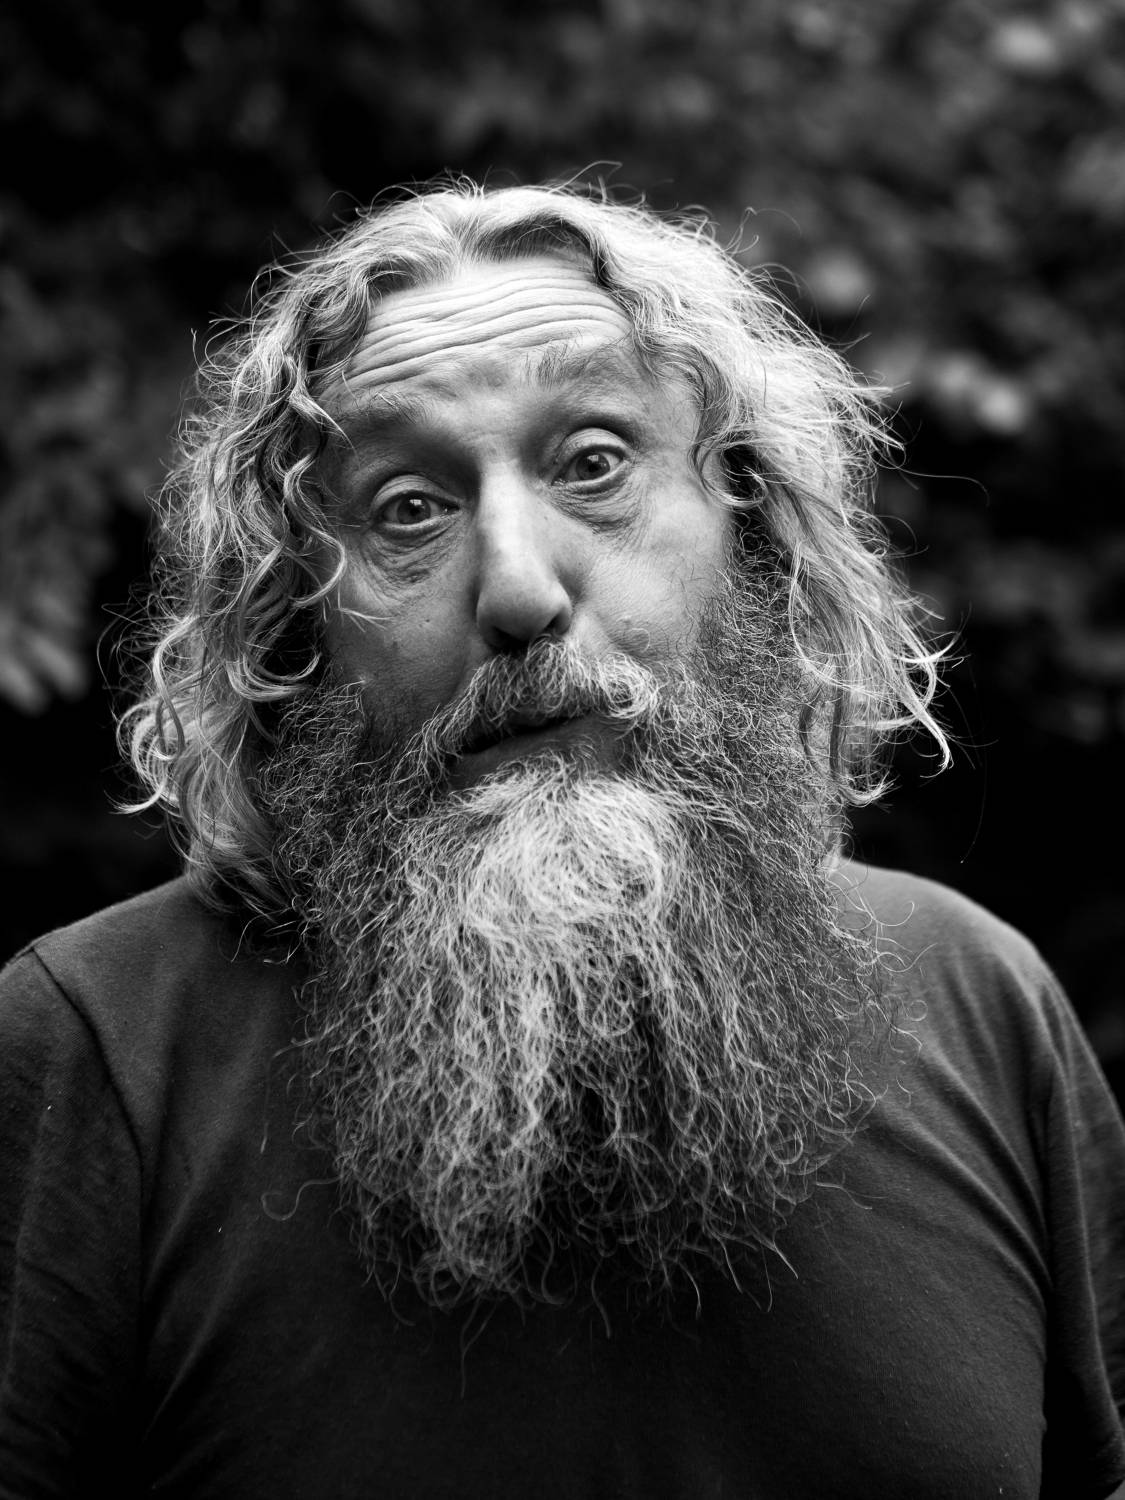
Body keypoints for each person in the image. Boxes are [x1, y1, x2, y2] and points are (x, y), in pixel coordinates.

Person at [1, 180, 1122, 1500]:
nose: (520, 591)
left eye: (593, 464)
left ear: (749, 525)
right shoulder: (101, 1051)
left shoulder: (979, 1001)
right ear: (297, 626)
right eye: (406, 507)